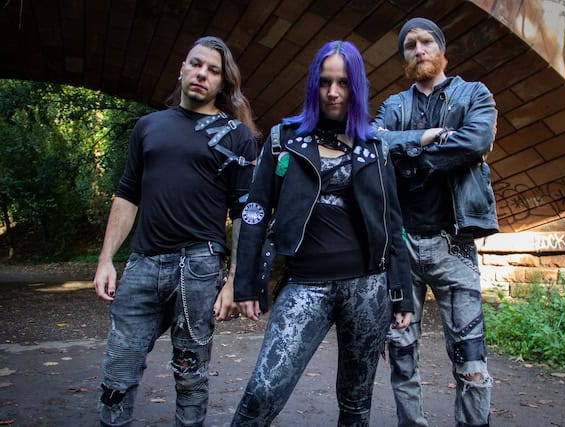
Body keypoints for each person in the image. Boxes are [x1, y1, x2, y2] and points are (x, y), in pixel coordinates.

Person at [231, 40, 414, 426]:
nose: (333, 92)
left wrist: (402, 296)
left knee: (356, 402)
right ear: (314, 85)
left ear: (356, 88)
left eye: (343, 83)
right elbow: (255, 212)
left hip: (367, 288)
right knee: (263, 390)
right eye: (325, 82)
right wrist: (245, 284)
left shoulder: (375, 147)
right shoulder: (284, 140)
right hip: (305, 285)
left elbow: (393, 226)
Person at [93, 36, 259, 427]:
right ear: (182, 69)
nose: (202, 74)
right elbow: (127, 195)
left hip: (199, 268)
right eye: (196, 64)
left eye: (213, 70)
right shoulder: (148, 126)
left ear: (223, 83)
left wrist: (235, 281)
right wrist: (105, 260)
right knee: (117, 372)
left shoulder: (236, 136)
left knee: (190, 377)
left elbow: (246, 214)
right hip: (143, 265)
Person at [371, 18, 499, 427]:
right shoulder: (394, 105)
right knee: (401, 355)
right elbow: (372, 144)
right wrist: (426, 137)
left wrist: (408, 154)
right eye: (409, 45)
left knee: (471, 360)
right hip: (400, 246)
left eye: (426, 41)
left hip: (454, 244)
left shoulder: (473, 94)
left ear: (441, 49)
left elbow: (475, 142)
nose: (418, 49)